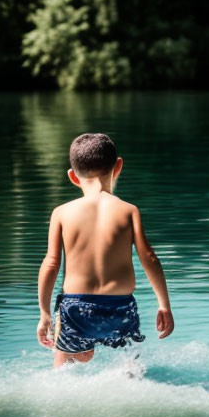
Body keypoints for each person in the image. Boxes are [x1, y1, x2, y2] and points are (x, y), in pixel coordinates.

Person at [36, 133, 174, 367]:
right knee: (131, 365)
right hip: (120, 305)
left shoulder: (61, 212)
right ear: (118, 166)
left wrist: (45, 313)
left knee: (64, 365)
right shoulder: (129, 210)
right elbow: (149, 258)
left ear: (72, 176)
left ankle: (74, 363)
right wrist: (164, 305)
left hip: (75, 305)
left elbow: (51, 263)